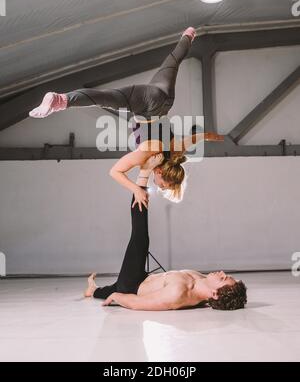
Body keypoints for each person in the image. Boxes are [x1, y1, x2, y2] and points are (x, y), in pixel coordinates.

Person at [29, 27, 224, 206]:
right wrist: (136, 190)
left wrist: (209, 136)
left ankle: (189, 35)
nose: (159, 186)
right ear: (160, 172)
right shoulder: (147, 156)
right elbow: (115, 171)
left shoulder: (173, 153)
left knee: (173, 61)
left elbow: (192, 140)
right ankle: (60, 100)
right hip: (148, 105)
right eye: (162, 185)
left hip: (164, 99)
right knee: (105, 98)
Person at [84, 159, 247, 311]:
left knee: (140, 238)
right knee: (112, 286)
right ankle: (94, 291)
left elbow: (137, 303)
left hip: (132, 285)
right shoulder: (202, 282)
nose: (222, 273)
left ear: (215, 294)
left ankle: (145, 173)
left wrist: (116, 296)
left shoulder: (178, 294)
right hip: (143, 278)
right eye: (226, 276)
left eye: (223, 279)